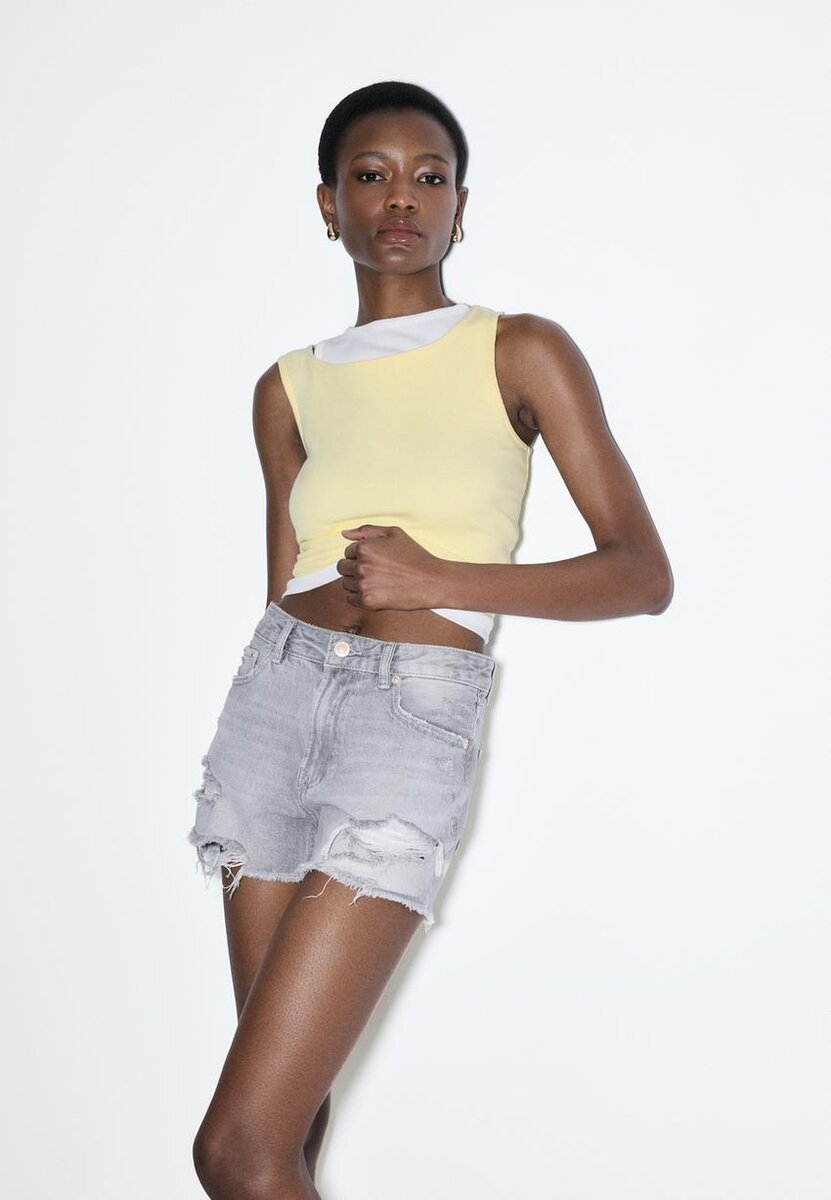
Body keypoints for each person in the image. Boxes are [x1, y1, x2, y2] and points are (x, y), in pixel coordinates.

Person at [186, 80, 673, 1200]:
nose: (401, 197)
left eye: (429, 176)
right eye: (371, 175)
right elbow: (284, 577)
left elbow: (641, 574)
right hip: (270, 706)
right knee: (285, 1138)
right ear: (329, 205)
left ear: (460, 204)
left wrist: (437, 579)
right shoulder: (287, 388)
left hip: (406, 721)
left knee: (236, 1150)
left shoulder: (520, 350)